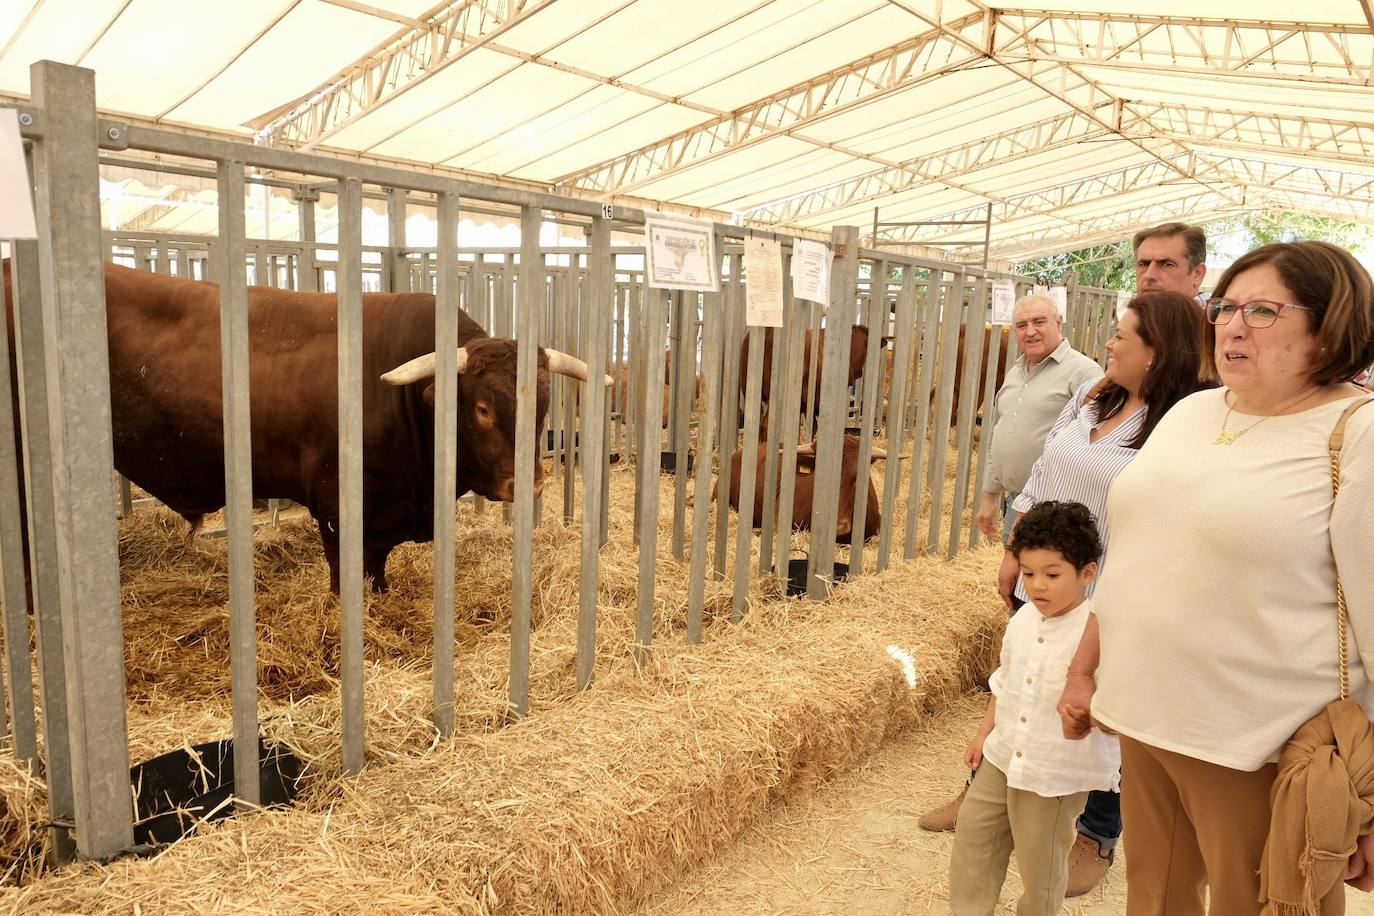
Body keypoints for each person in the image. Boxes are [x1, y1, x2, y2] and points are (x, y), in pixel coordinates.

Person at [1058, 241, 1374, 914]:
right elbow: (1134, 556)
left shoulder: (1359, 432)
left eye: (1263, 310)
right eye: (1226, 306)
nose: (1232, 325)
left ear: (1330, 326)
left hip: (1259, 745)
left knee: (1261, 904)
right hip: (1147, 718)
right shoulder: (1197, 411)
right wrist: (1085, 668)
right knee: (1154, 897)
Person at [990, 290, 1214, 896]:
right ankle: (995, 787)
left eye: (1123, 336)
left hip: (1107, 593)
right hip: (1045, 572)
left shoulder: (1175, 428)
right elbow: (1042, 471)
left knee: (1095, 710)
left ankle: (1097, 833)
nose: (1109, 343)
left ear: (1157, 352)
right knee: (1025, 680)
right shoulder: (1094, 397)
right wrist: (1018, 547)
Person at [949, 501, 1119, 915]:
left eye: (1052, 574)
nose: (1038, 585)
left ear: (1088, 573)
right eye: (1028, 574)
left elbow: (1115, 710)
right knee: (974, 840)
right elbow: (1005, 680)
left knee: (1040, 865)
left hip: (1052, 772)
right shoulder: (1023, 620)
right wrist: (984, 732)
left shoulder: (1099, 631)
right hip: (1003, 755)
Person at [975, 294, 1104, 549]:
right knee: (1015, 583)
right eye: (1022, 325)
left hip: (1055, 508)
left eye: (1039, 322)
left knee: (1036, 583)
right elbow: (1001, 433)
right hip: (1015, 500)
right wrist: (990, 496)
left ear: (1059, 323)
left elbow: (1098, 445)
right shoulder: (1017, 370)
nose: (1030, 331)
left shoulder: (1085, 373)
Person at [1134, 221, 1207, 301]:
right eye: (1144, 264)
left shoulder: (1212, 313)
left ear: (1197, 274)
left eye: (1167, 264)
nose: (1149, 275)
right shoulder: (1129, 312)